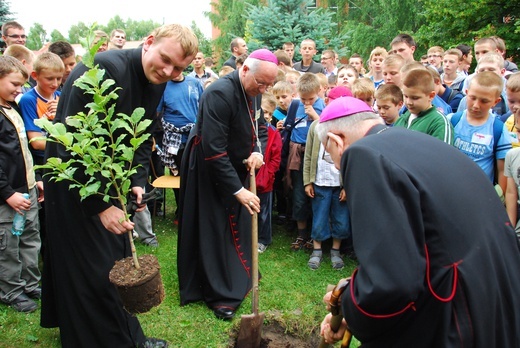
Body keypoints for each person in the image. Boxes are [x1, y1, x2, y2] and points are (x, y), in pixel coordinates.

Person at [317, 96, 520, 347]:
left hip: (456, 310)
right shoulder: (418, 141)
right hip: (497, 290)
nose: (337, 167)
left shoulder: (362, 154)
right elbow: (419, 246)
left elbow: (391, 281)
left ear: (337, 142)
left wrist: (352, 307)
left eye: (331, 157)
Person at [40, 24, 198, 347]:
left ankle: (119, 336)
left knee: (114, 264)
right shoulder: (105, 69)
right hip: (76, 187)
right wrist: (100, 206)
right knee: (96, 269)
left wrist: (137, 181)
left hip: (109, 185)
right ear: (149, 42)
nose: (169, 71)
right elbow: (74, 146)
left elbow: (142, 134)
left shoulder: (156, 80)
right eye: (165, 60)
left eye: (179, 68)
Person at [177, 49, 277, 321]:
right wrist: (237, 190)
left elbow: (261, 130)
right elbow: (214, 149)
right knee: (214, 226)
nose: (264, 89)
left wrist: (258, 151)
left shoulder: (253, 93)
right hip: (208, 168)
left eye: (269, 85)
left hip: (237, 165)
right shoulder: (219, 93)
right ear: (244, 69)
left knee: (235, 224)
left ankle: (239, 273)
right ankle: (219, 291)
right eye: (261, 83)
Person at [0, 56, 42, 313]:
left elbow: (23, 152)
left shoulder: (12, 108)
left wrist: (35, 180)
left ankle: (31, 284)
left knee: (29, 238)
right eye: (14, 84)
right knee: (8, 245)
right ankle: (11, 290)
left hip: (27, 189)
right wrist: (7, 193)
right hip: (8, 197)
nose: (19, 90)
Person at [449, 71, 512, 194]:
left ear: (496, 101)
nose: (476, 105)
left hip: (481, 193)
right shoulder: (452, 120)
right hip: (451, 188)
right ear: (466, 93)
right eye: (473, 98)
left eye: (484, 101)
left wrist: (499, 194)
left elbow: (502, 169)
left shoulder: (498, 129)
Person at [303, 110, 350, 270]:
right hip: (319, 183)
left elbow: (350, 159)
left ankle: (335, 251)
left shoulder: (347, 129)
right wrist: (307, 181)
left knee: (341, 219)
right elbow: (308, 155)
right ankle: (317, 251)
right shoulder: (316, 127)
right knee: (319, 217)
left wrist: (347, 186)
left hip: (339, 185)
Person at [285, 73, 325, 251]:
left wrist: (316, 116)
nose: (306, 102)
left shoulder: (323, 107)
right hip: (297, 156)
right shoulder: (295, 105)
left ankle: (314, 234)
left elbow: (328, 130)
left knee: (315, 195)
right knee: (299, 195)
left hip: (316, 156)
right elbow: (289, 126)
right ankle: (301, 234)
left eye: (310, 98)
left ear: (319, 91)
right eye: (303, 99)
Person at [156, 73, 203, 216]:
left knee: (195, 173)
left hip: (194, 135)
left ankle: (194, 209)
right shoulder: (163, 86)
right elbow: (157, 113)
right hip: (173, 138)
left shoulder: (194, 83)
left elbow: (203, 105)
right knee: (176, 174)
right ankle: (181, 209)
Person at [19, 52, 64, 165]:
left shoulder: (61, 96)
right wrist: (67, 145)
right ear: (35, 76)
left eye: (59, 78)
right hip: (43, 161)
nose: (55, 83)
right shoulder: (28, 100)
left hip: (61, 156)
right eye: (49, 79)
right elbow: (36, 142)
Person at [394, 69, 453, 144]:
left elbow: (442, 153)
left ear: (431, 96)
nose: (409, 102)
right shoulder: (402, 118)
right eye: (406, 96)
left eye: (415, 98)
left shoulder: (439, 123)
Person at [256, 93, 282, 253]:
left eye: (270, 114)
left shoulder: (274, 133)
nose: (266, 116)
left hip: (265, 180)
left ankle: (263, 239)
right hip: (249, 176)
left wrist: (268, 174)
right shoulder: (249, 129)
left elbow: (275, 158)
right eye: (264, 111)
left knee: (264, 211)